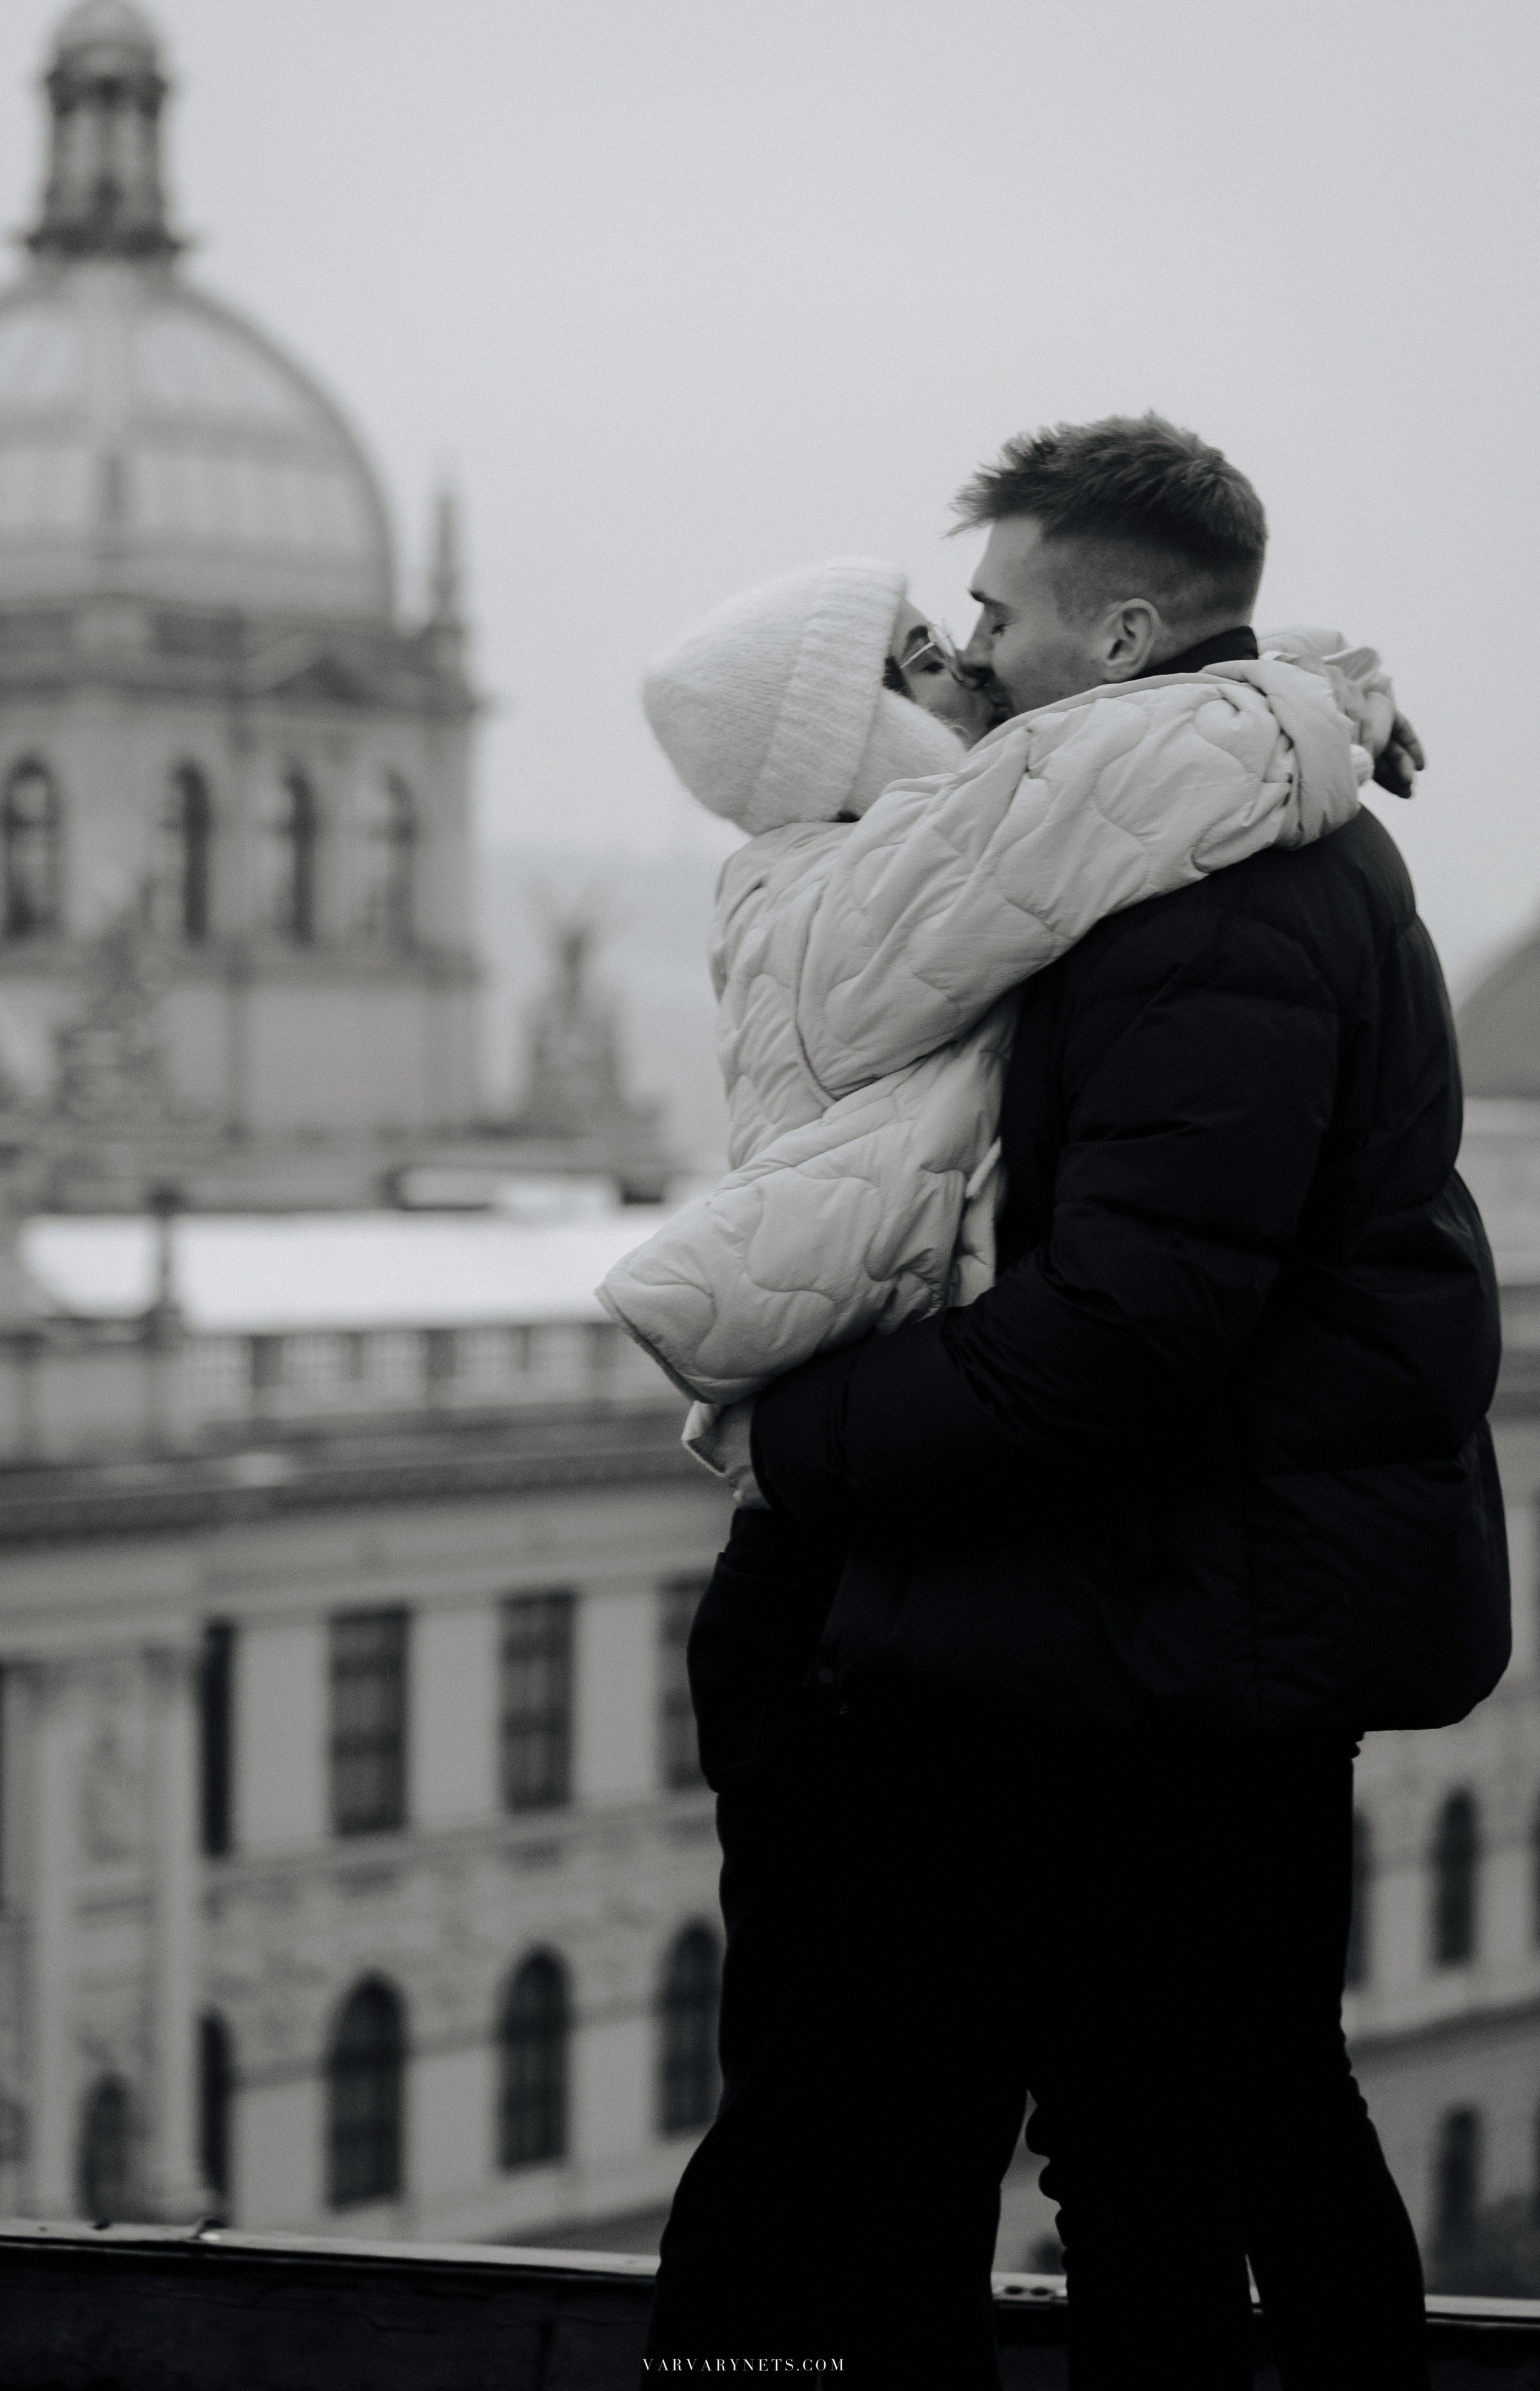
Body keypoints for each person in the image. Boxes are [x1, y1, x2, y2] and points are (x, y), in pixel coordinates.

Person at [644, 416, 1508, 2390]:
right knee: (1188, 2124)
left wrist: (800, 1449)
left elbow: (1129, 1324)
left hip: (1161, 1612)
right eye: (933, 643)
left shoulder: (1197, 889)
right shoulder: (1110, 862)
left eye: (990, 618)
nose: (971, 660)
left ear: (1119, 639)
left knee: (1112, 2133)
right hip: (1149, 1603)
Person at [603, 561, 1394, 1502]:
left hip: (907, 1450)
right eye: (928, 654)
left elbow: (1099, 762)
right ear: (852, 735)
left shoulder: (877, 869)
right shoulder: (866, 897)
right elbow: (1139, 776)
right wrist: (1312, 699)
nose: (975, 665)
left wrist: (1313, 677)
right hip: (898, 1471)